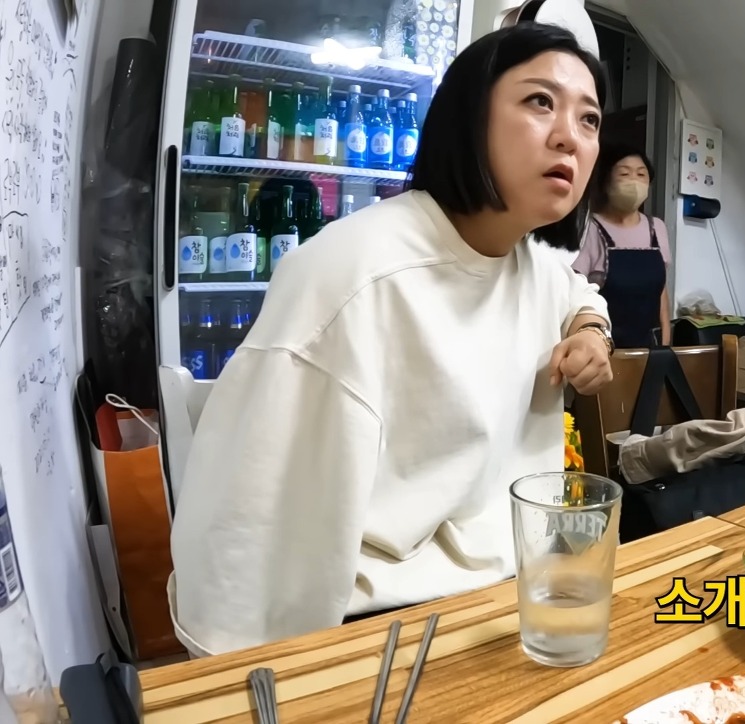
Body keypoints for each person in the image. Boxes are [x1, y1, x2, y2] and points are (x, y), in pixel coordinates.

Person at [167, 23, 614, 656]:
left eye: (589, 118)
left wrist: (591, 331)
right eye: (540, 101)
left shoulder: (531, 260)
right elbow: (246, 526)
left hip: (512, 590)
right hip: (381, 623)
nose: (570, 135)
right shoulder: (351, 274)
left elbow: (578, 293)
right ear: (469, 116)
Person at [572, 144, 672, 347]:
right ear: (606, 182)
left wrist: (666, 342)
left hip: (651, 349)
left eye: (641, 174)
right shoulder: (589, 228)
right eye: (624, 174)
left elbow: (661, 291)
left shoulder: (657, 228)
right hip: (603, 348)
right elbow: (574, 294)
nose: (634, 181)